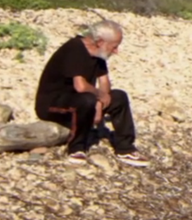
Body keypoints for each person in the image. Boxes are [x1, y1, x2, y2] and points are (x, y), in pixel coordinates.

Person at [34, 19, 150, 167]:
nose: (116, 51)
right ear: (100, 42)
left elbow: (104, 82)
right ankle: (76, 148)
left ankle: (125, 148)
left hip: (81, 100)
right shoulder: (75, 49)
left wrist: (100, 105)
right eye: (114, 47)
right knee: (87, 99)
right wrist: (99, 98)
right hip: (53, 104)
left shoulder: (98, 54)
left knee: (119, 97)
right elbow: (80, 86)